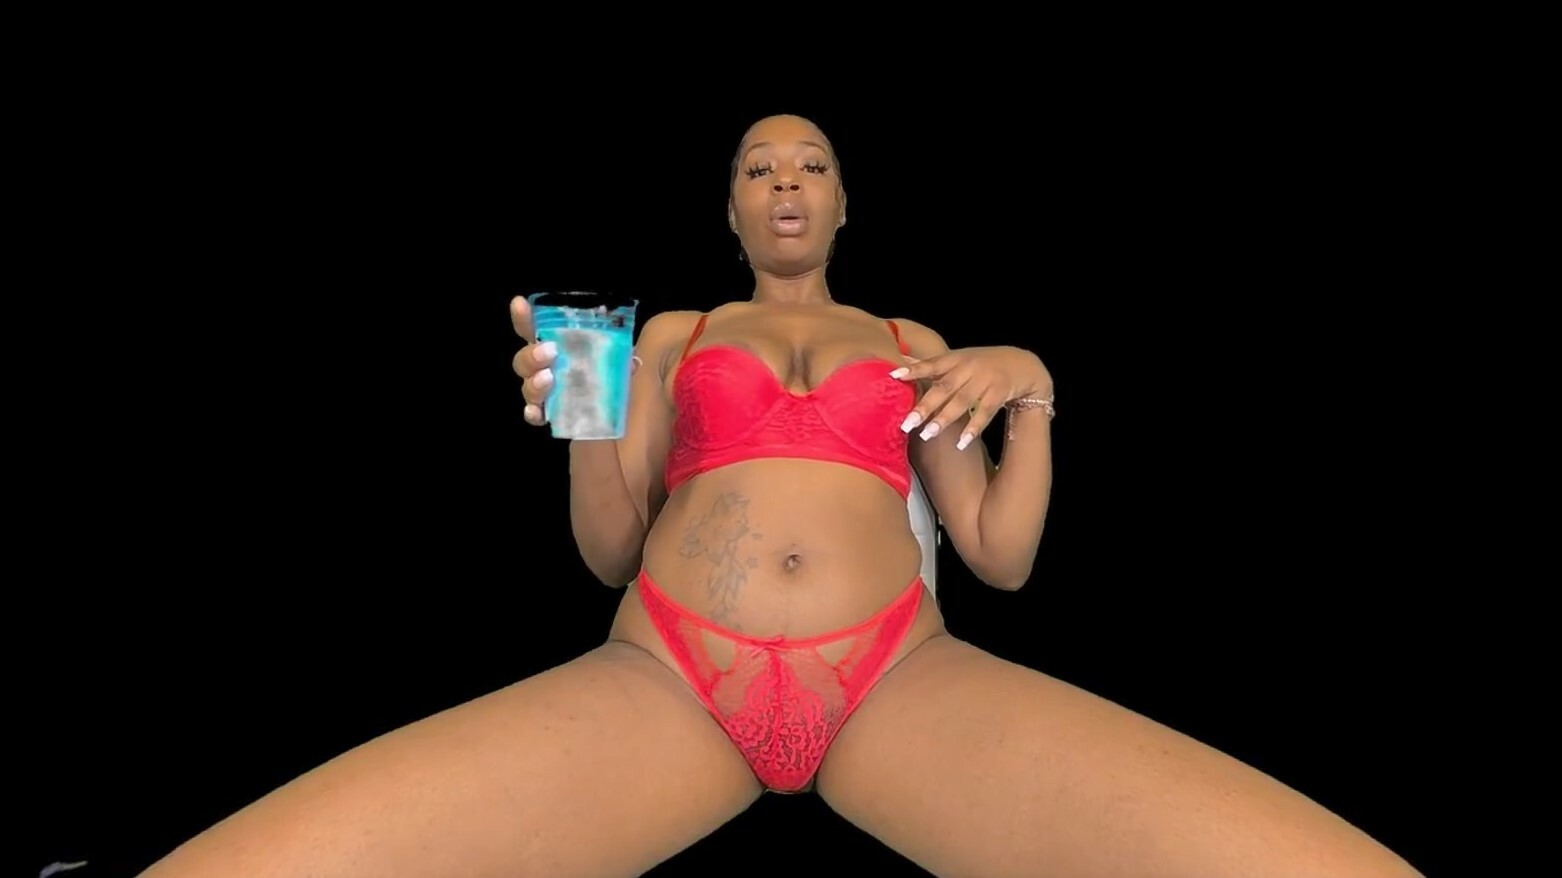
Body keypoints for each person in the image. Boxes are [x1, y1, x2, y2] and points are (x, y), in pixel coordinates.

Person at [140, 114, 1423, 877]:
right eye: (759, 168)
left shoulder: (912, 338)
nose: (786, 182)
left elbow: (998, 552)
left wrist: (1031, 386)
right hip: (666, 674)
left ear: (844, 201)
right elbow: (607, 548)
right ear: (733, 207)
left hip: (897, 677)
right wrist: (583, 411)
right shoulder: (673, 333)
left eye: (809, 164)